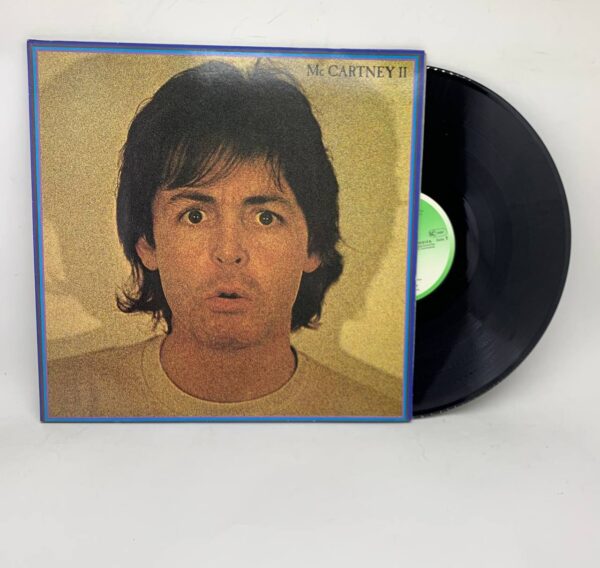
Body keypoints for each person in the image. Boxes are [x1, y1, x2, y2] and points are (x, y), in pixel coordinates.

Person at [48, 60, 402, 418]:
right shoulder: (57, 400)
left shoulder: (382, 421)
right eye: (195, 216)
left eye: (265, 218)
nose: (229, 252)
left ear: (313, 246)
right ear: (147, 243)